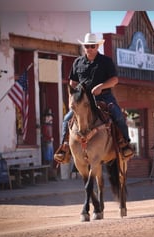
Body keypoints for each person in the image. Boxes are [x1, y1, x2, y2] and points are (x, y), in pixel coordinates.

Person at [54, 33, 134, 163]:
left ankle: (124, 143)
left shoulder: (106, 61)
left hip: (103, 97)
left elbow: (114, 80)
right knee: (66, 119)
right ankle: (65, 147)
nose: (89, 48)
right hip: (82, 100)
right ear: (84, 47)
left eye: (92, 46)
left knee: (117, 114)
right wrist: (72, 99)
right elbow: (72, 83)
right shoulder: (77, 62)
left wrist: (101, 86)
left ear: (97, 46)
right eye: (87, 46)